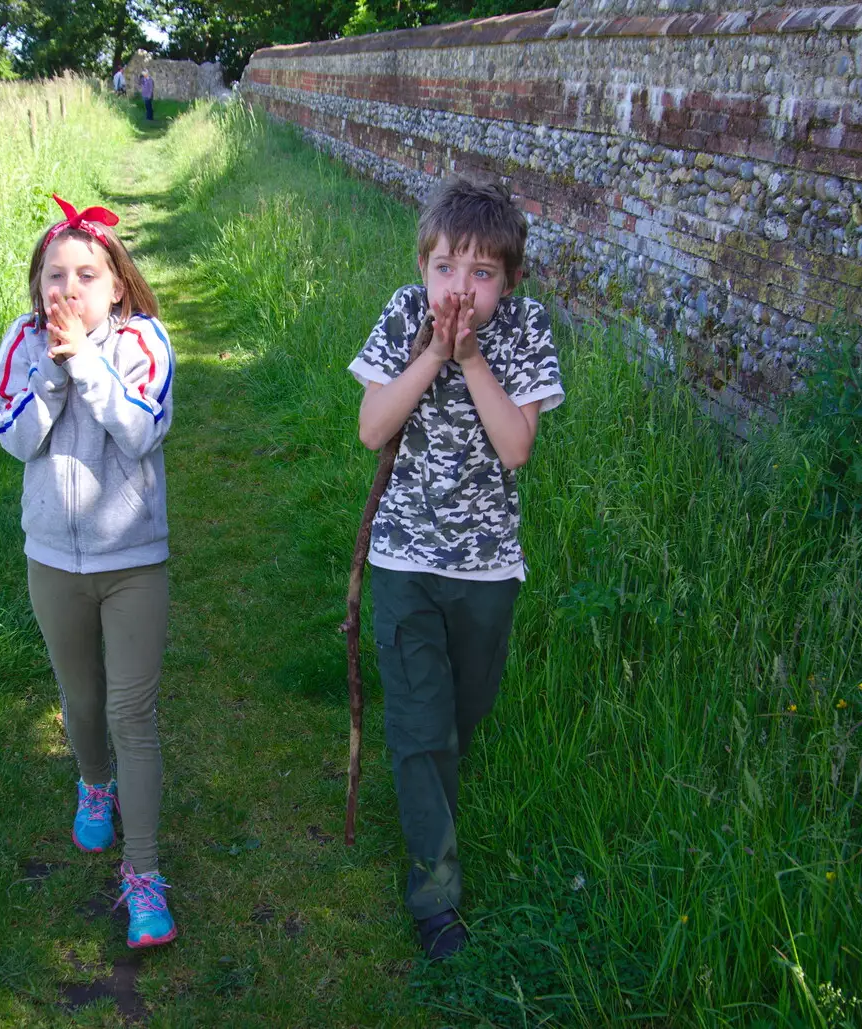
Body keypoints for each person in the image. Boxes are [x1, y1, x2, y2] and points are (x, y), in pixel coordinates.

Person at [347, 176, 563, 960]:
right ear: (423, 266)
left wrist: (469, 358)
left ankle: (428, 793)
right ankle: (435, 896)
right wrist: (433, 350)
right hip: (405, 556)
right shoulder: (406, 314)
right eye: (445, 268)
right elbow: (374, 428)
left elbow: (516, 447)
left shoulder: (528, 328)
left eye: (482, 274)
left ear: (510, 280)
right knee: (417, 723)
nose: (459, 288)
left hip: (487, 571)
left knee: (461, 716)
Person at [0, 193, 178, 949]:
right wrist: (56, 373)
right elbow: (17, 440)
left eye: (86, 275)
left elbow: (140, 429)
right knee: (82, 696)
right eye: (54, 276)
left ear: (117, 286)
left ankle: (144, 874)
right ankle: (93, 781)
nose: (68, 290)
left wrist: (89, 363)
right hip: (51, 558)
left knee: (134, 712)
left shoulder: (144, 342)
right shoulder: (20, 345)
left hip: (133, 560)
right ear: (37, 288)